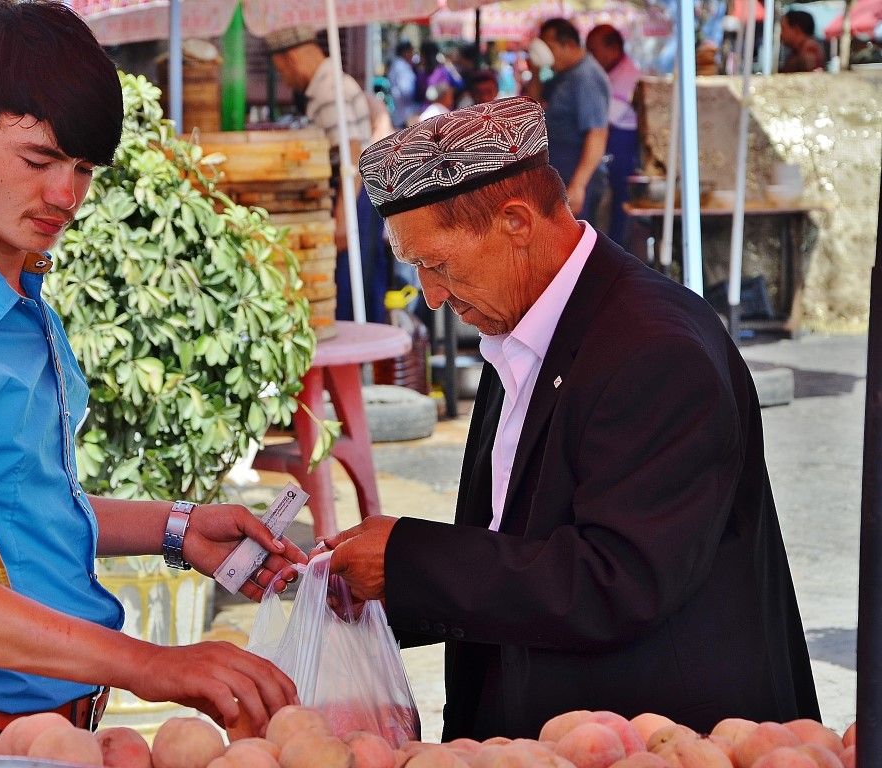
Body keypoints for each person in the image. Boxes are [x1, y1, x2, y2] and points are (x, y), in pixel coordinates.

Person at [0, 0, 301, 735]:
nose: (64, 197)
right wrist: (151, 663)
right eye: (39, 160)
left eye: (82, 169)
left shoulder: (11, 288)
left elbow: (17, 508)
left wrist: (178, 528)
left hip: (57, 728)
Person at [330, 98, 821, 741]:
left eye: (438, 264)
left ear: (515, 222)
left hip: (664, 740)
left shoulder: (656, 350)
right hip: (566, 735)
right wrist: (371, 580)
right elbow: (516, 545)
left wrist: (409, 562)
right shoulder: (519, 327)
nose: (431, 294)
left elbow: (615, 581)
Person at [266, 26, 386, 323]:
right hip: (356, 197)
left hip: (354, 199)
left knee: (347, 297)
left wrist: (343, 217)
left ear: (291, 58)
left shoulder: (328, 89)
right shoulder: (333, 83)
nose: (284, 80)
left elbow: (351, 154)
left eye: (281, 71)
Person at [525, 18, 610, 220]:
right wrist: (535, 71)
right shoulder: (563, 74)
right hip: (560, 168)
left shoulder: (586, 77)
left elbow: (597, 133)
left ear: (570, 44)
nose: (545, 51)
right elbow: (533, 106)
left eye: (550, 46)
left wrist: (578, 186)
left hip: (578, 172)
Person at [586, 24, 642, 247]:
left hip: (622, 145)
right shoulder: (608, 73)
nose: (592, 56)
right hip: (612, 142)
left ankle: (616, 249)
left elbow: (603, 121)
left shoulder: (627, 75)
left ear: (613, 49)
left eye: (594, 50)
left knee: (618, 204)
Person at [387, 40, 420, 128]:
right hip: (405, 116)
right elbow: (406, 91)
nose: (412, 54)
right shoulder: (402, 67)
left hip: (400, 115)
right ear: (405, 52)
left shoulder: (397, 64)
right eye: (411, 51)